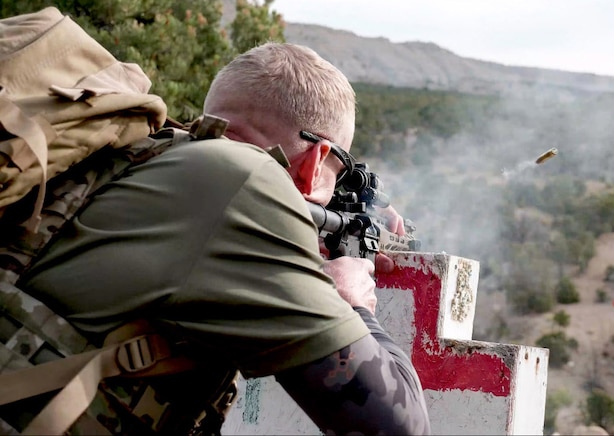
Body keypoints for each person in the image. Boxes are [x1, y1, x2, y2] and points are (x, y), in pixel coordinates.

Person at [17, 42, 431, 435]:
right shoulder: (247, 188)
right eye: (334, 177)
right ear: (318, 159)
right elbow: (399, 426)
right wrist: (354, 301)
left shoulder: (152, 152)